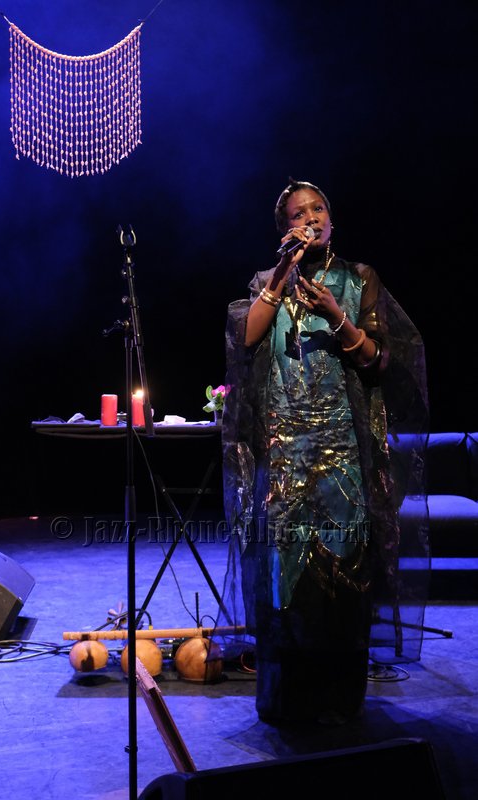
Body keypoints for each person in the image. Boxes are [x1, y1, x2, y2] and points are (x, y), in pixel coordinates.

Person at [213, 179, 429, 727]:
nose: (309, 218)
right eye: (297, 213)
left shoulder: (359, 279)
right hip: (284, 450)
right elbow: (245, 341)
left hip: (342, 447)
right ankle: (287, 701)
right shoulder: (269, 280)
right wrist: (282, 275)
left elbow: (378, 360)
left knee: (343, 572)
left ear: (331, 219)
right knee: (285, 575)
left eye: (317, 209)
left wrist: (335, 313)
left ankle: (339, 698)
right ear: (285, 228)